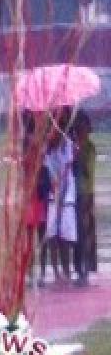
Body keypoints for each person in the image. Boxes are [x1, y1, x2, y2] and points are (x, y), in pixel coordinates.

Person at [44, 123, 78, 285]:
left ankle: (66, 270)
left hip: (66, 195)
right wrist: (54, 186)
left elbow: (67, 169)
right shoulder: (46, 149)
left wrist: (61, 191)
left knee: (64, 236)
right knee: (52, 235)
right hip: (52, 193)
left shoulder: (67, 144)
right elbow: (48, 172)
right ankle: (56, 272)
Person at [73, 111, 97, 287]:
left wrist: (79, 155)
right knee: (77, 234)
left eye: (84, 127)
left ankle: (86, 269)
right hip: (74, 194)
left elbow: (88, 172)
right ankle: (79, 268)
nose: (81, 131)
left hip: (86, 194)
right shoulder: (73, 146)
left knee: (86, 232)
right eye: (79, 127)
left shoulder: (89, 147)